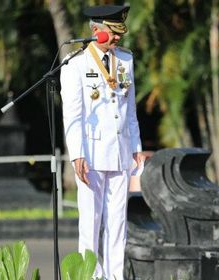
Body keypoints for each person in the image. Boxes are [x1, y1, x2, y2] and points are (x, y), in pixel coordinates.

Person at [59, 5, 144, 280]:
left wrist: (136, 148)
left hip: (120, 152)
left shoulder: (126, 61)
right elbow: (73, 114)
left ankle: (115, 276)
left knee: (118, 222)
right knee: (91, 221)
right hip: (91, 154)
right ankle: (90, 275)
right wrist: (76, 155)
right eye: (113, 31)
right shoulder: (76, 65)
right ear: (96, 31)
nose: (118, 38)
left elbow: (130, 111)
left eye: (120, 32)